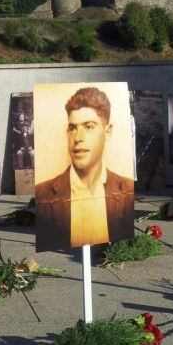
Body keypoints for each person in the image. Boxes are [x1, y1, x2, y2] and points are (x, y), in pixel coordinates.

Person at [35, 87, 134, 251]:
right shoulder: (43, 193)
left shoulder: (127, 189)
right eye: (72, 128)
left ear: (107, 132)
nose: (78, 138)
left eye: (89, 127)